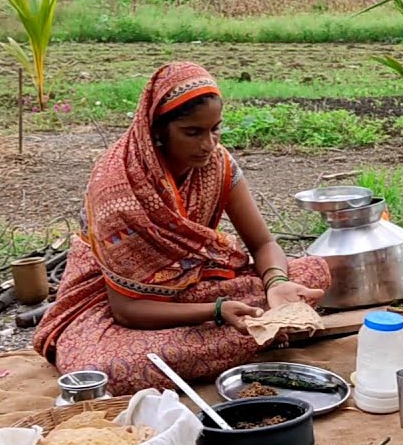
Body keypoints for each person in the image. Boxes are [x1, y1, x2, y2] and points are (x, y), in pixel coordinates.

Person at [33, 62, 331, 395]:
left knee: (311, 272)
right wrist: (216, 311)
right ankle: (254, 333)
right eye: (193, 132)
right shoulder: (119, 188)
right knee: (100, 368)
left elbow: (263, 244)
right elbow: (127, 310)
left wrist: (277, 285)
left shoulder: (217, 164)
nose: (208, 144)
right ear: (157, 130)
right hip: (114, 302)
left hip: (193, 283)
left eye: (215, 129)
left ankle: (251, 327)